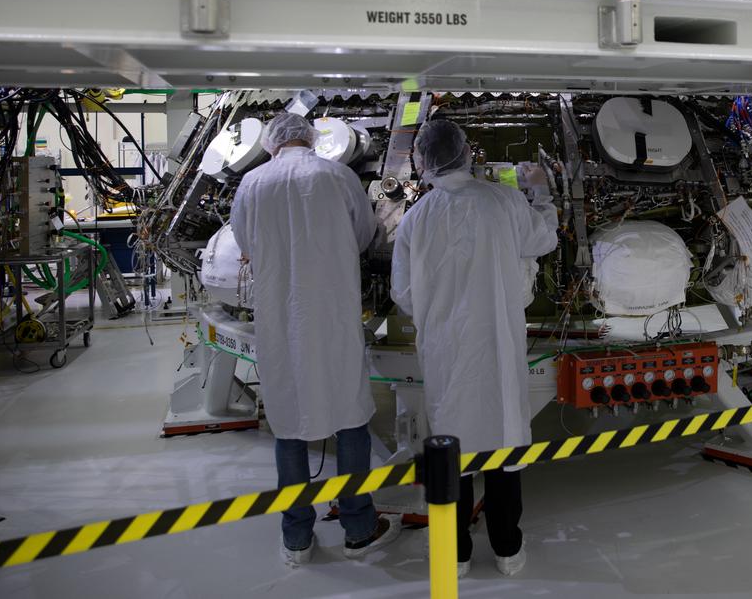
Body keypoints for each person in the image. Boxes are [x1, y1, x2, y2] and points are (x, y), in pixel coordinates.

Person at [390, 119, 559, 578]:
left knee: (453, 448)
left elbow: (403, 294)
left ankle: (457, 554)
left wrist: (438, 308)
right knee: (503, 440)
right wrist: (541, 191)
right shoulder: (502, 201)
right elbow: (543, 239)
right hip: (498, 344)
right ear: (468, 153)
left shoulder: (416, 218)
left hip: (445, 350)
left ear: (423, 161)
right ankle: (508, 549)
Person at [230, 111, 399, 567]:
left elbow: (244, 240)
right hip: (333, 314)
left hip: (280, 318)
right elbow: (365, 234)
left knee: (287, 421)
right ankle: (359, 528)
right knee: (350, 416)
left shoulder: (252, 184)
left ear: (271, 144)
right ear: (311, 138)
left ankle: (297, 538)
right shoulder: (339, 176)